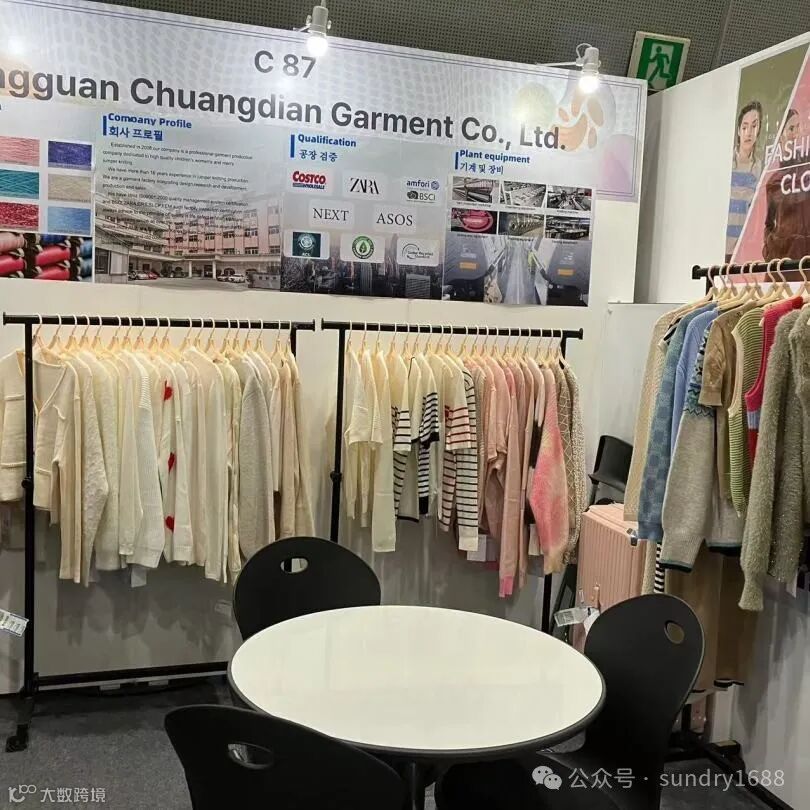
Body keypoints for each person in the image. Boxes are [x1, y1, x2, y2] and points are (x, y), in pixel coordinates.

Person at [763, 109, 809, 260]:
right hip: (783, 261)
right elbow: (769, 224)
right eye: (791, 128)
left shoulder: (807, 171)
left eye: (798, 127)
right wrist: (770, 250)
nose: (796, 134)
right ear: (779, 135)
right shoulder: (774, 182)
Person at [726, 101, 763, 259]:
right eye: (745, 127)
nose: (749, 133)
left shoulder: (759, 167)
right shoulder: (726, 162)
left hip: (743, 250)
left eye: (754, 126)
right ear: (739, 130)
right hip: (721, 246)